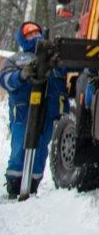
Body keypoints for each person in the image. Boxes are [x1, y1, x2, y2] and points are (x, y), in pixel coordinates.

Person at [1, 22, 67, 198]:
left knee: (41, 150)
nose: (35, 36)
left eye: (37, 33)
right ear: (22, 38)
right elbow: (5, 80)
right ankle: (15, 185)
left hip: (47, 112)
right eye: (29, 34)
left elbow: (64, 80)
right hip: (23, 113)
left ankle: (33, 185)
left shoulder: (54, 59)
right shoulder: (16, 59)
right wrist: (22, 75)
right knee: (19, 147)